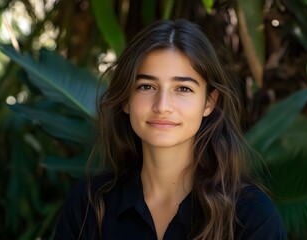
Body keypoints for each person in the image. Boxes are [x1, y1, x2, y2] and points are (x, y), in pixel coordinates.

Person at [54, 19, 287, 240]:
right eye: (146, 86)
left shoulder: (251, 216)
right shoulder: (89, 206)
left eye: (183, 89)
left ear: (209, 102)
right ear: (125, 99)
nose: (162, 106)